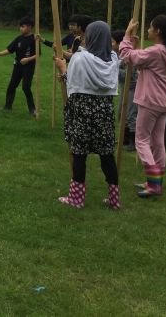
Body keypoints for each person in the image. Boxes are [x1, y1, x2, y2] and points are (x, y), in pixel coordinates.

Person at [54, 21, 120, 209]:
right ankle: (115, 199)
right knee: (107, 155)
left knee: (79, 154)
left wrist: (63, 68)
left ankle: (76, 199)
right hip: (104, 113)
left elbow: (72, 83)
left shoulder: (80, 58)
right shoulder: (113, 59)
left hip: (83, 111)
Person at [120, 15, 166, 198]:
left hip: (150, 101)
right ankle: (156, 181)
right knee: (157, 141)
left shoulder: (156, 51)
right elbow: (143, 62)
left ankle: (154, 183)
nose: (148, 30)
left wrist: (127, 36)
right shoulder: (164, 51)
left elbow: (127, 56)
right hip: (163, 102)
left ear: (158, 31)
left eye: (150, 27)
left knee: (141, 140)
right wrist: (136, 47)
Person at [0, 16, 37, 116]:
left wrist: (27, 59)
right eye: (20, 27)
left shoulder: (34, 39)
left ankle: (32, 109)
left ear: (29, 27)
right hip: (18, 66)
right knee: (12, 86)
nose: (21, 29)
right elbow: (9, 50)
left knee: (26, 87)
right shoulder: (19, 39)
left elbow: (38, 54)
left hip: (28, 67)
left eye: (23, 26)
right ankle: (7, 106)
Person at [111, 29, 138, 151]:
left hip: (133, 88)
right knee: (122, 113)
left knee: (131, 114)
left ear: (119, 43)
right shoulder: (117, 55)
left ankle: (133, 141)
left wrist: (114, 68)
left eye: (113, 42)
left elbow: (129, 75)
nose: (111, 44)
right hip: (124, 87)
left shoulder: (128, 56)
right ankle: (125, 138)